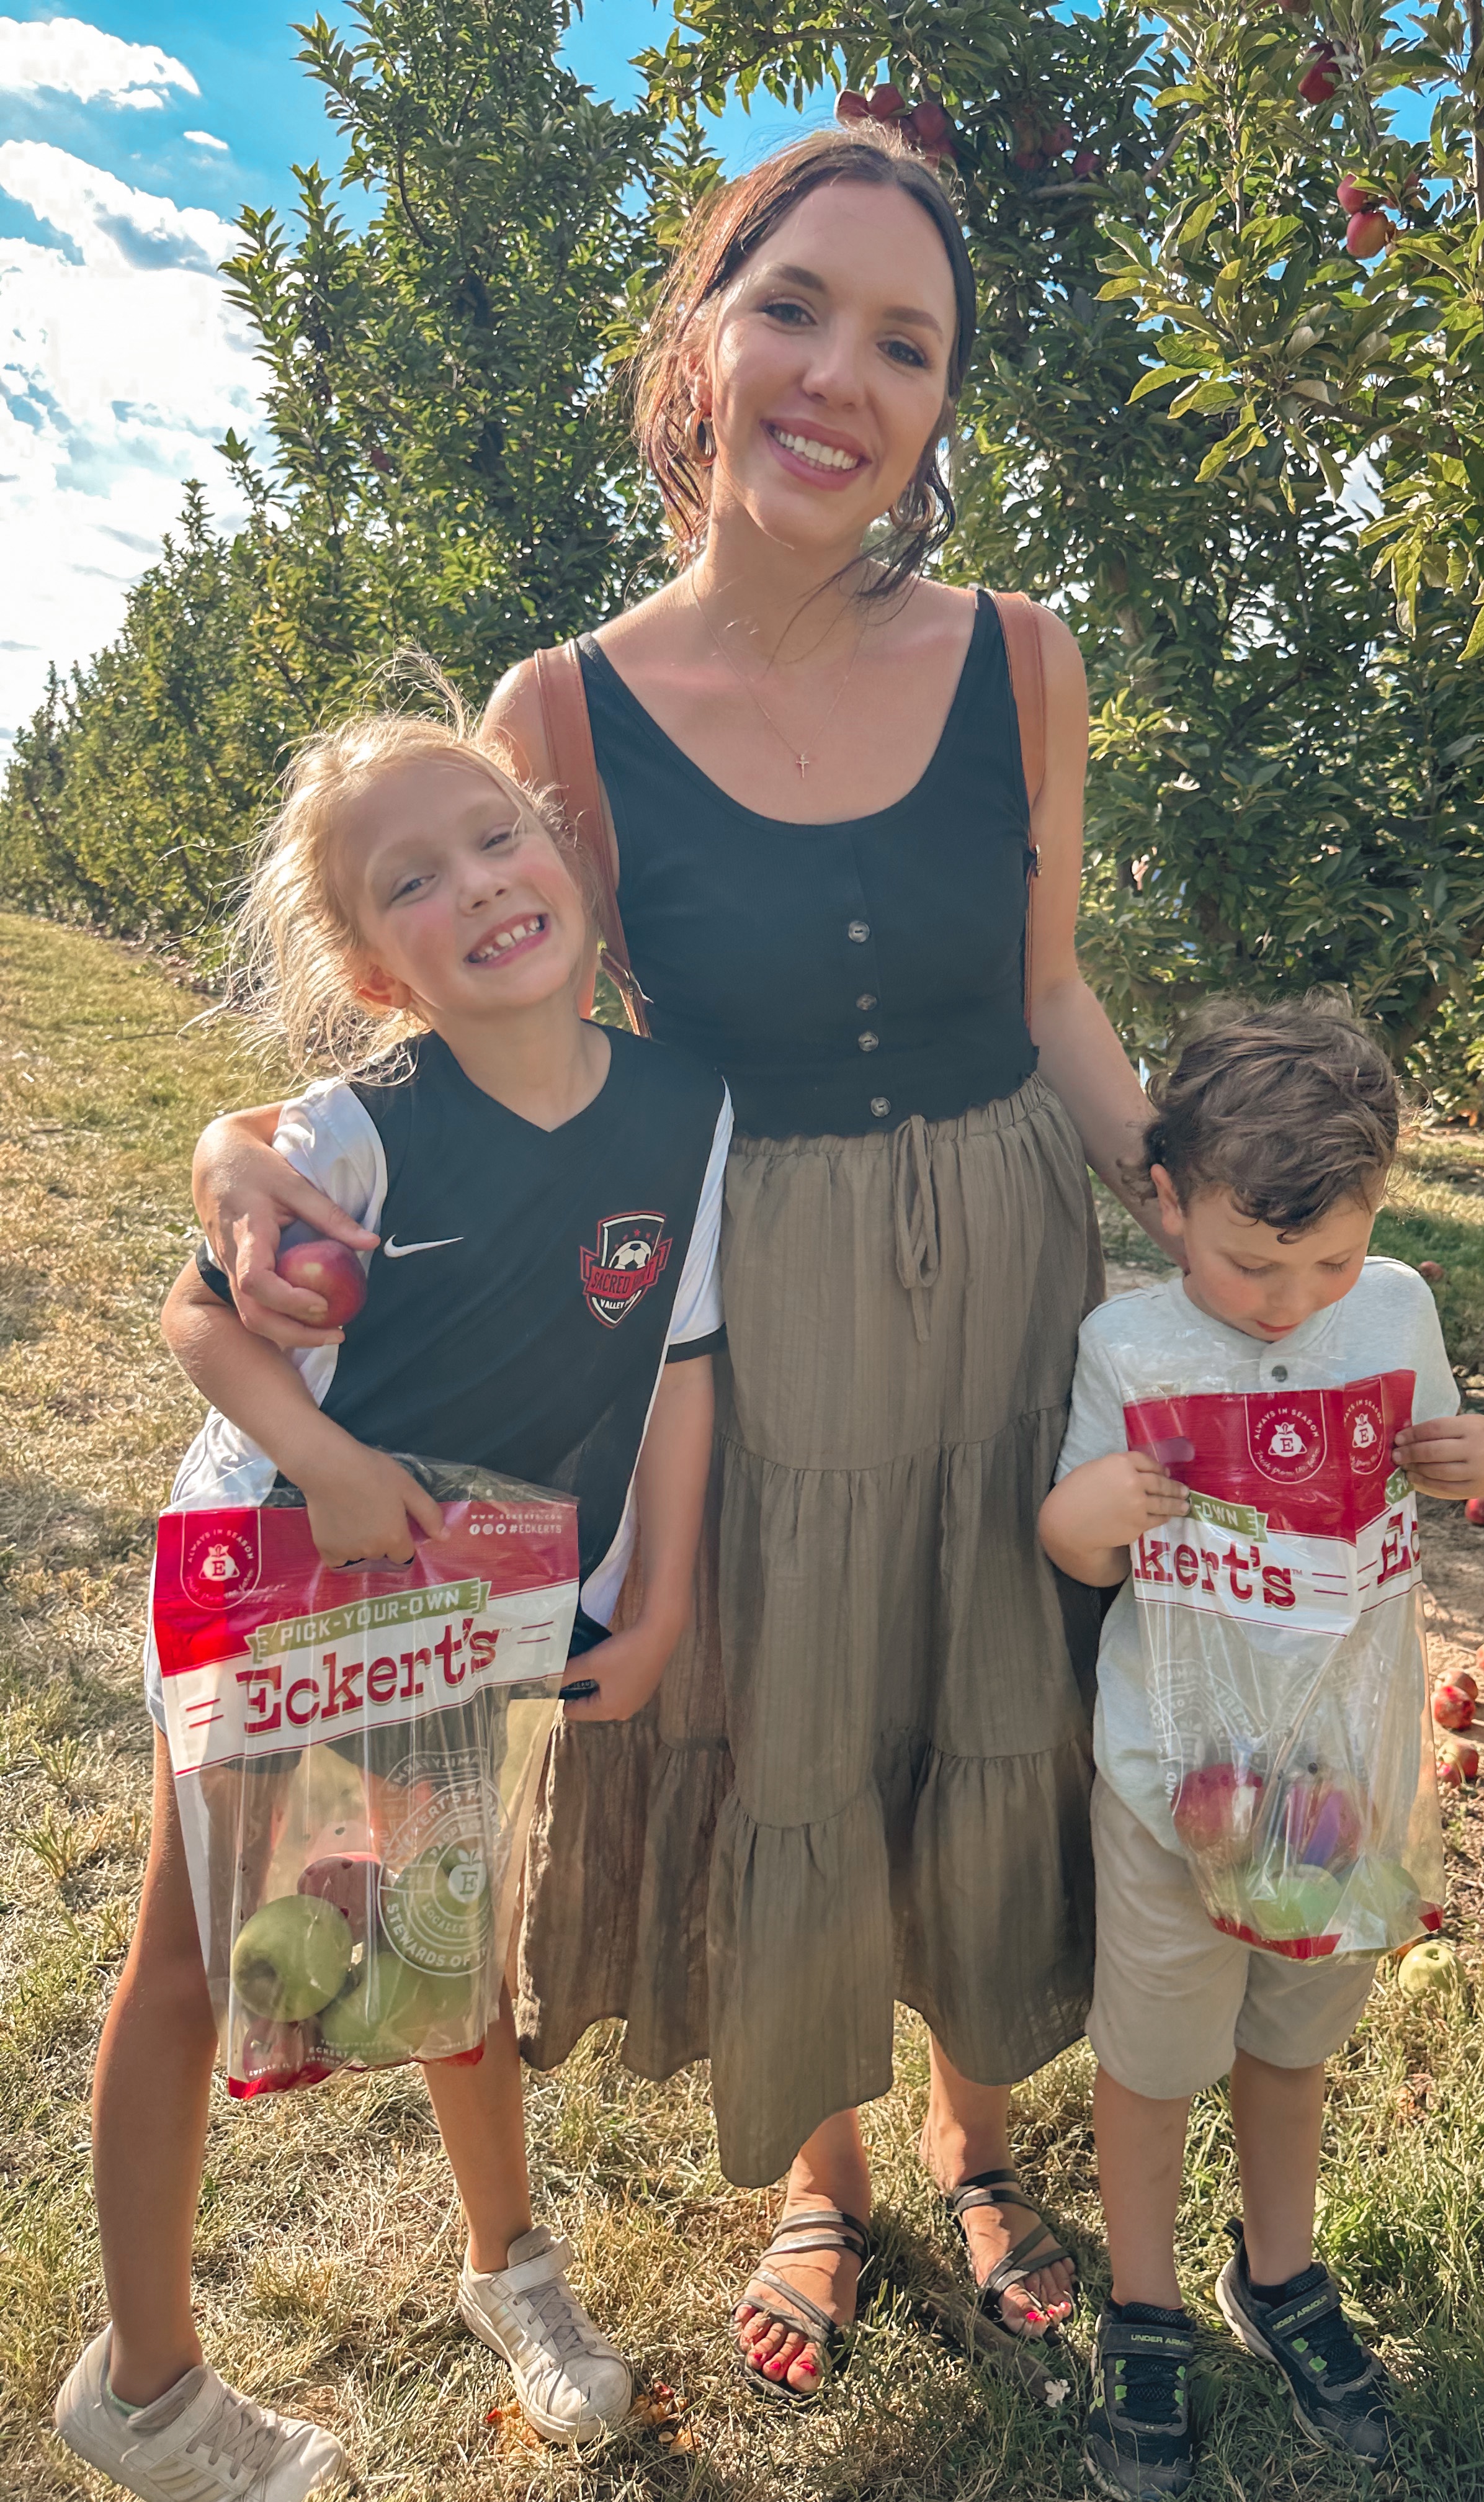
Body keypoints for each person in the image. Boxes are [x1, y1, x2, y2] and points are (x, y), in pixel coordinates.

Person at [187, 123, 1168, 2400]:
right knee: (786, 1708)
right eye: (797, 307)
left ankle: (978, 2134)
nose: (842, 375)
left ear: (938, 407)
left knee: (976, 1679)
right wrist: (252, 1145)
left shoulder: (1026, 659)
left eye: (904, 344)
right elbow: (464, 1019)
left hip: (1002, 1252)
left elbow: (1050, 991)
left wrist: (1211, 1229)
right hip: (754, 1283)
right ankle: (822, 2172)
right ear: (703, 342)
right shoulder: (562, 714)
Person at [56, 692, 730, 2500]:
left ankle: (509, 2266)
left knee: (448, 1923)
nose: (482, 885)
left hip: (471, 1600)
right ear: (372, 967)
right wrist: (331, 1464)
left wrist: (652, 1596)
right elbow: (204, 1312)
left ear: (568, 854)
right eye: (412, 880)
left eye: (499, 835)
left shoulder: (685, 1109)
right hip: (280, 1576)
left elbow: (684, 1357)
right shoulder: (356, 1136)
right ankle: (143, 2384)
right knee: (194, 1961)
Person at [1040, 1001, 1484, 2498]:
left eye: (1327, 1260)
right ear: (1169, 1196)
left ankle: (1281, 2272)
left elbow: (1450, 1459)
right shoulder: (1127, 1342)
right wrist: (1099, 1512)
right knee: (1156, 2055)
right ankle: (1143, 2304)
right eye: (1254, 1262)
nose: (1289, 1298)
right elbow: (1070, 1542)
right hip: (1174, 1777)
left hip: (1338, 1782)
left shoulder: (1391, 1313)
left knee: (1290, 2043)